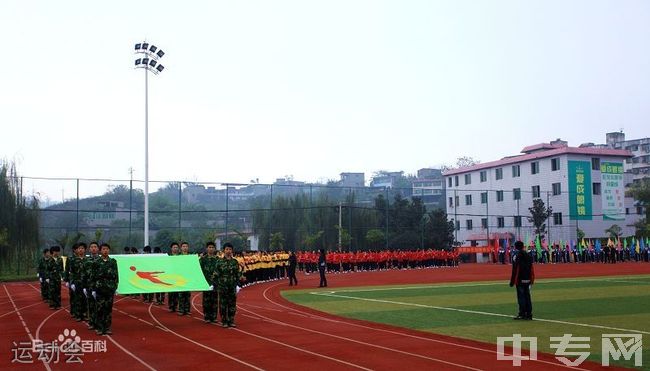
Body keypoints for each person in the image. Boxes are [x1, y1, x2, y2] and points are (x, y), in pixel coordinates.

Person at [215, 242, 245, 327]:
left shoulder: (235, 262)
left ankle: (231, 320)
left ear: (232, 251)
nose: (228, 251)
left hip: (232, 286)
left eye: (230, 249)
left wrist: (240, 279)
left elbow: (237, 273)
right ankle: (224, 321)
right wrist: (214, 284)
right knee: (223, 304)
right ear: (223, 250)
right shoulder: (219, 262)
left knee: (232, 304)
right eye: (227, 249)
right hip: (222, 287)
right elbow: (216, 274)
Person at [93, 243, 119, 335]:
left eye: (107, 249)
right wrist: (93, 289)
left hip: (109, 288)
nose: (105, 251)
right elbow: (93, 276)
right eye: (103, 249)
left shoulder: (112, 262)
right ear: (100, 250)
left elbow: (116, 275)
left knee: (108, 309)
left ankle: (107, 327)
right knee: (100, 308)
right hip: (99, 288)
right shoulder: (96, 262)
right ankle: (100, 328)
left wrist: (115, 286)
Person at [510, 241, 534, 320]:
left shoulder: (516, 255)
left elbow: (515, 269)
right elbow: (531, 267)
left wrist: (512, 281)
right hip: (527, 278)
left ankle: (522, 313)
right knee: (527, 296)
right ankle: (529, 314)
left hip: (520, 279)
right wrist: (532, 278)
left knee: (521, 297)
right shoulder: (528, 255)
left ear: (516, 247)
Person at [82, 241, 100, 330]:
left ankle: (100, 323)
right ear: (89, 249)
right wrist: (84, 287)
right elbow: (83, 274)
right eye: (92, 247)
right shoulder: (86, 260)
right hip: (89, 286)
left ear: (98, 249)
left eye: (95, 247)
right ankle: (92, 323)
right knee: (91, 305)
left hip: (99, 286)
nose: (93, 248)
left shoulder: (101, 260)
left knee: (100, 306)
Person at [200, 241, 219, 323]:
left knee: (214, 300)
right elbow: (199, 270)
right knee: (206, 300)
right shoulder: (203, 260)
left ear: (215, 249)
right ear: (206, 249)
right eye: (209, 247)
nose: (211, 249)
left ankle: (214, 317)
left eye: (212, 247)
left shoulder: (218, 260)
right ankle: (207, 316)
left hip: (215, 283)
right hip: (206, 283)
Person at [177, 242, 191, 316]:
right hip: (181, 279)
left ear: (188, 248)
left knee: (187, 295)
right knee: (181, 295)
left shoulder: (191, 257)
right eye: (183, 246)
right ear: (181, 248)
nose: (185, 247)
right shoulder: (178, 257)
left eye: (186, 246)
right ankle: (181, 309)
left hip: (188, 279)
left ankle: (187, 309)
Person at [168, 242, 180, 312]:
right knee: (171, 293)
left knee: (177, 293)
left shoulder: (180, 257)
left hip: (178, 277)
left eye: (176, 247)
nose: (175, 249)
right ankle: (171, 306)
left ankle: (175, 306)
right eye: (174, 247)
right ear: (171, 248)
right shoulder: (168, 257)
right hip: (170, 277)